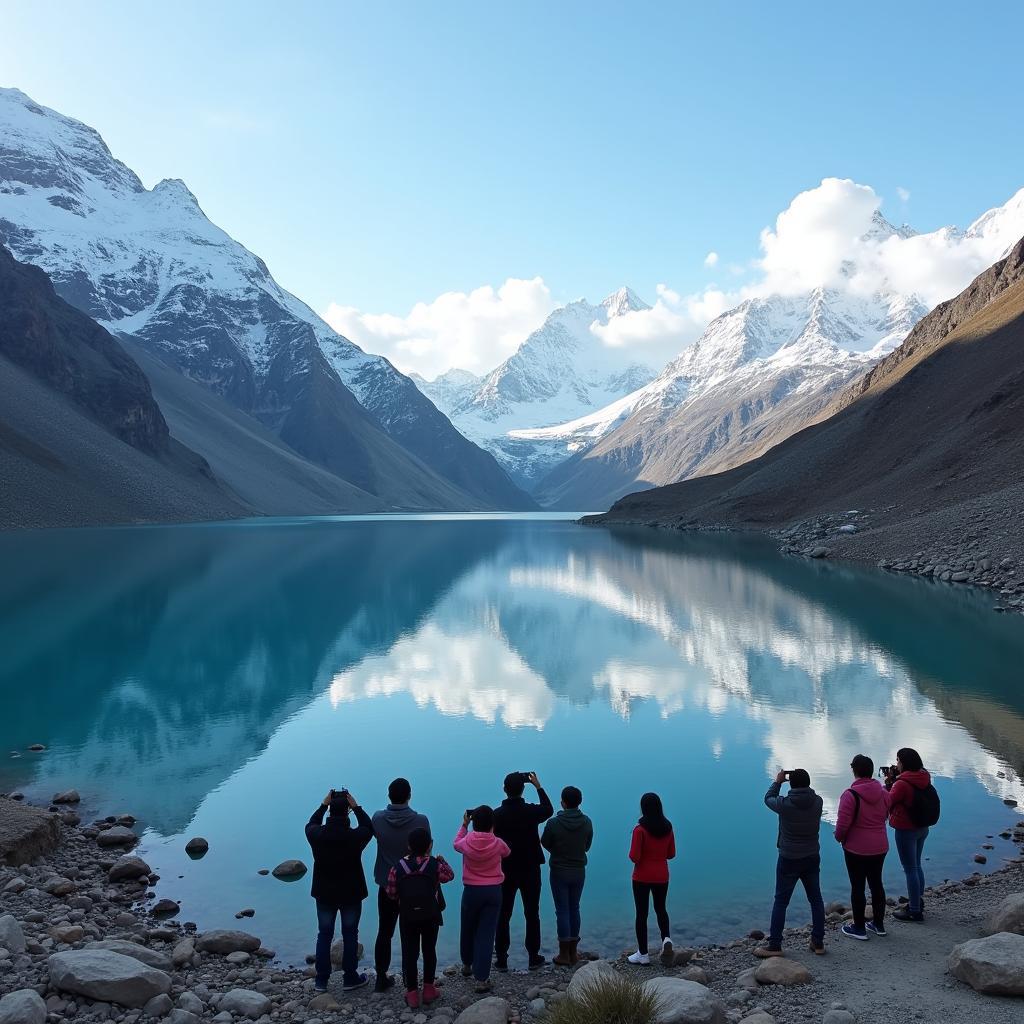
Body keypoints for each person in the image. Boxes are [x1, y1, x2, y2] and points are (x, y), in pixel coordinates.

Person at [305, 788, 373, 992]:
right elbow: (368, 827)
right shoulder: (355, 837)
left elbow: (311, 824)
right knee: (350, 934)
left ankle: (321, 980)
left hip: (324, 893)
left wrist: (323, 804)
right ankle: (350, 977)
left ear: (329, 813)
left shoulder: (317, 835)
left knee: (324, 934)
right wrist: (357, 806)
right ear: (347, 813)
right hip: (351, 893)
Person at [754, 769, 826, 958]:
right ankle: (818, 942)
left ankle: (775, 945)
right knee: (816, 899)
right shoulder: (818, 802)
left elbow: (768, 797)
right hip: (811, 856)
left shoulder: (785, 804)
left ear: (791, 784)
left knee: (781, 901)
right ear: (809, 783)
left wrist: (778, 781)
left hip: (789, 858)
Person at [371, 778, 431, 992]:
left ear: (389, 795)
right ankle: (410, 982)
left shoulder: (377, 819)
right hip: (413, 888)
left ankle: (380, 976)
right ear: (409, 796)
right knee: (410, 935)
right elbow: (426, 852)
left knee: (384, 931)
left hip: (386, 886)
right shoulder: (421, 821)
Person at [385, 826, 454, 1009]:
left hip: (407, 916)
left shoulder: (398, 867)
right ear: (429, 845)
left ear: (408, 845)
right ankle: (430, 989)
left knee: (410, 953)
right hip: (430, 915)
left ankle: (413, 993)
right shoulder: (434, 864)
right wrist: (442, 861)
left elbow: (391, 893)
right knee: (429, 950)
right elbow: (450, 876)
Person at [493, 771, 554, 971]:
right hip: (530, 868)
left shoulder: (497, 815)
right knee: (532, 912)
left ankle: (501, 958)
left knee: (503, 914)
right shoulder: (530, 812)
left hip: (506, 870)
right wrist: (538, 786)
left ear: (504, 790)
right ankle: (533, 956)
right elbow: (548, 809)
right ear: (523, 790)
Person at [834, 754, 891, 940]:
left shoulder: (850, 795)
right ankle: (879, 925)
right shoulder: (884, 793)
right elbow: (886, 815)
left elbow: (842, 825)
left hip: (856, 849)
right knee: (877, 884)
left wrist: (839, 838)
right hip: (880, 846)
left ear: (854, 771)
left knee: (857, 886)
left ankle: (859, 928)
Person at [454, 805, 510, 993]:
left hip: (471, 890)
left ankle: (467, 965)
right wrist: (492, 833)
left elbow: (456, 843)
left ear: (473, 823)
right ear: (492, 824)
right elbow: (507, 852)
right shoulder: (498, 843)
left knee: (467, 928)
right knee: (486, 934)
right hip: (493, 891)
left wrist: (464, 825)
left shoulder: (467, 841)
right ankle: (481, 978)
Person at [540, 785, 594, 966]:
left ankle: (564, 954)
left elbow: (545, 842)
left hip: (559, 870)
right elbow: (587, 846)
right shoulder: (586, 822)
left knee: (562, 910)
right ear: (579, 802)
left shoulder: (554, 823)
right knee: (574, 908)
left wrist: (557, 851)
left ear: (562, 803)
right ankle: (573, 952)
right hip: (579, 870)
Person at [884, 747, 937, 922]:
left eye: (898, 760)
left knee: (910, 869)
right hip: (923, 827)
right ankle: (918, 901)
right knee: (916, 865)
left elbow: (888, 802)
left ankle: (914, 910)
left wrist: (888, 785)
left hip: (906, 829)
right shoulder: (923, 776)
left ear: (904, 762)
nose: (896, 763)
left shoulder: (902, 784)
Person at [626, 792, 676, 967]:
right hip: (662, 875)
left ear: (643, 808)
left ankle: (643, 954)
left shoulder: (639, 830)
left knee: (642, 914)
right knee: (661, 909)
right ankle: (666, 938)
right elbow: (671, 854)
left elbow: (634, 857)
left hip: (641, 877)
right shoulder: (668, 827)